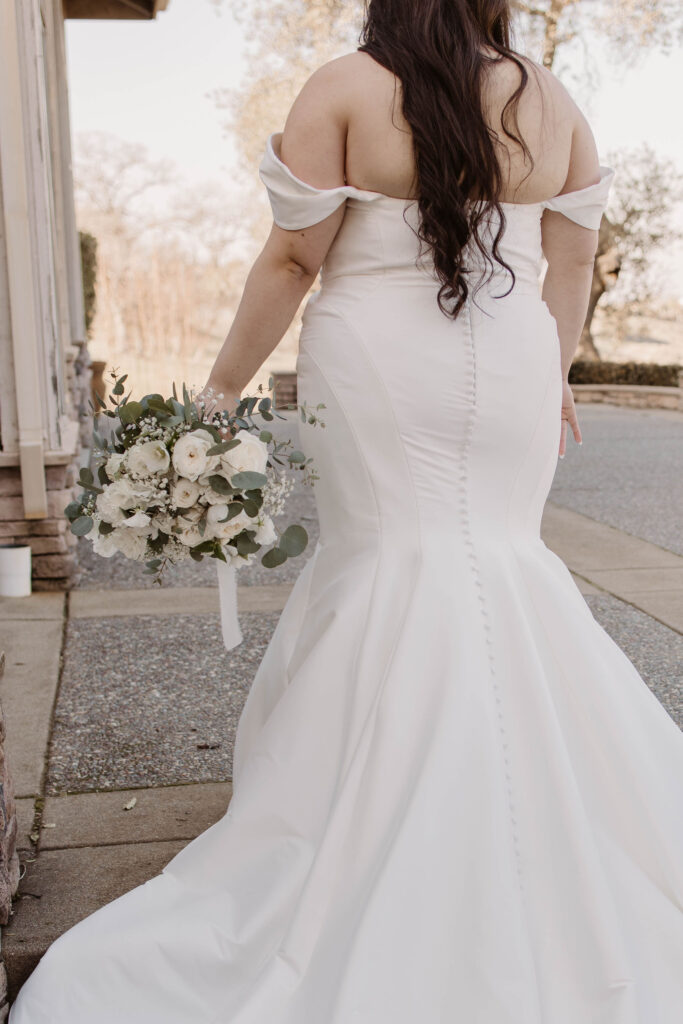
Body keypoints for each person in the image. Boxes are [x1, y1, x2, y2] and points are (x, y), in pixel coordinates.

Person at [10, 1, 683, 1021]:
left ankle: (382, 821)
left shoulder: (346, 87)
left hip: (378, 355)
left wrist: (214, 400)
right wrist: (551, 369)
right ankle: (539, 811)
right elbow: (571, 260)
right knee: (496, 557)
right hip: (510, 359)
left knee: (396, 557)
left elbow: (292, 260)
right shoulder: (552, 100)